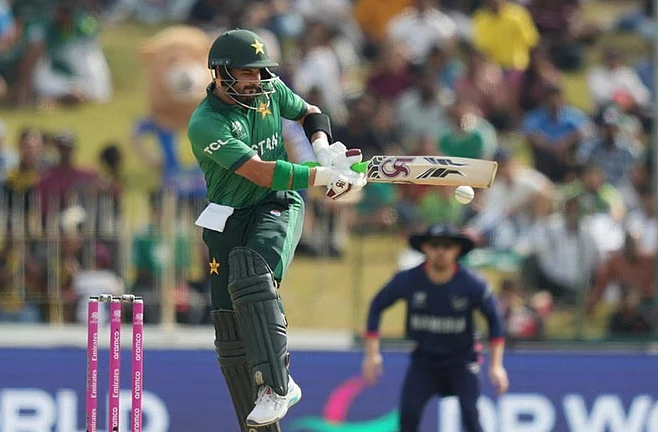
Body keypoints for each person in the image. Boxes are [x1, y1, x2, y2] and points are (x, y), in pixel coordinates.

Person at [186, 29, 366, 430]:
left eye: (259, 71)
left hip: (276, 206)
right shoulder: (207, 123)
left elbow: (311, 113)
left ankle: (278, 386)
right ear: (219, 73)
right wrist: (324, 175)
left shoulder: (269, 90)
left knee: (252, 271)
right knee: (230, 333)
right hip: (230, 215)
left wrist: (323, 147)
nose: (255, 80)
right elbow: (260, 172)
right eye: (244, 72)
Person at [362, 223, 509, 432]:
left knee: (471, 416)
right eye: (435, 245)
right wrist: (372, 355)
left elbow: (494, 319)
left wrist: (496, 366)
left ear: (457, 250)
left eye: (447, 246)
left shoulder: (472, 283)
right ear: (425, 248)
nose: (441, 251)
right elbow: (377, 306)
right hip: (424, 361)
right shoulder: (409, 280)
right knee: (409, 417)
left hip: (463, 361)